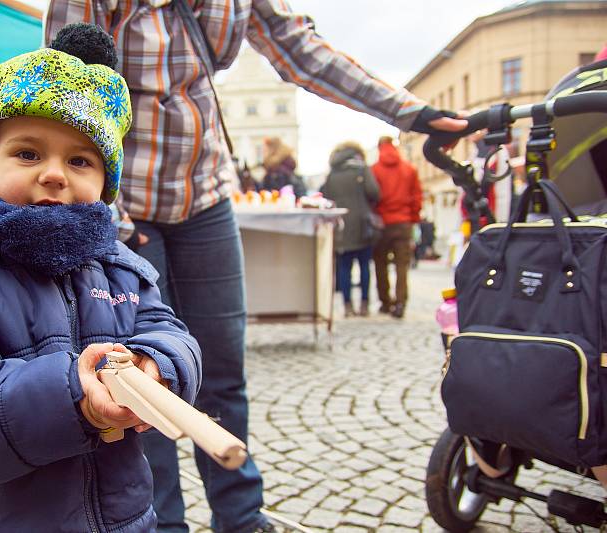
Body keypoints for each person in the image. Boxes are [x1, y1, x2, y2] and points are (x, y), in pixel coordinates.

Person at [45, 3, 467, 532]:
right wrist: (113, 215)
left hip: (207, 196)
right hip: (127, 205)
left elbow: (302, 51)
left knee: (224, 372)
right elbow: (67, 85)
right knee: (138, 375)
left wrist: (410, 114)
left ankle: (242, 517)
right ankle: (159, 521)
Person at [0, 24, 201, 532]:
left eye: (80, 159)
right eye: (28, 153)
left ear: (105, 185)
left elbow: (173, 335)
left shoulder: (123, 268)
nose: (54, 173)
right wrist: (74, 398)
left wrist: (158, 365)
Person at [319, 142, 380, 318]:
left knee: (344, 267)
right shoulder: (361, 169)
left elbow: (326, 197)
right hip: (362, 225)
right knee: (364, 266)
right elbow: (374, 192)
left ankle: (347, 305)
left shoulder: (332, 174)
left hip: (341, 227)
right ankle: (364, 304)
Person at [372, 136, 423, 319]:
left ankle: (385, 302)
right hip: (403, 223)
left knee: (381, 264)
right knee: (402, 265)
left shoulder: (374, 170)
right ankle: (401, 302)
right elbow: (417, 196)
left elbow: (372, 197)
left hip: (382, 224)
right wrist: (413, 218)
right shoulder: (409, 169)